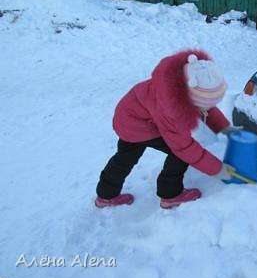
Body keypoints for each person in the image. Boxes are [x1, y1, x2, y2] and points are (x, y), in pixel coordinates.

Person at [95, 49, 242, 209]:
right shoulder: (173, 109)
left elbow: (205, 107)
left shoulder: (186, 80)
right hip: (138, 124)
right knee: (180, 153)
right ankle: (171, 194)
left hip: (129, 116)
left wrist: (225, 128)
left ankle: (106, 195)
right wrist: (220, 171)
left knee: (125, 157)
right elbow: (185, 148)